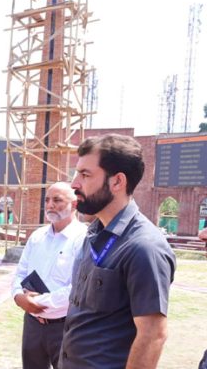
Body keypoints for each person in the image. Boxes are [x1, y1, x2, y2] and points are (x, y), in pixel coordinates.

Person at [59, 134, 176, 368]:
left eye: (85, 174)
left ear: (117, 182)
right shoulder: (92, 235)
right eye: (76, 173)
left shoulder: (144, 247)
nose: (74, 184)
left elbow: (153, 335)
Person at [10, 182, 86, 369]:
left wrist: (41, 303)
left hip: (64, 326)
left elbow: (78, 288)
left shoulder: (83, 239)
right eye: (47, 200)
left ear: (74, 205)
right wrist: (18, 296)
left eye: (57, 200)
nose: (50, 205)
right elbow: (21, 272)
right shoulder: (37, 237)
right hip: (33, 324)